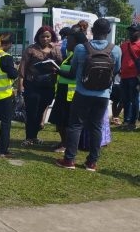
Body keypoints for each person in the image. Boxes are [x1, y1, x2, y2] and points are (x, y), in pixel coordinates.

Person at [56, 18, 121, 171]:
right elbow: (116, 71)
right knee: (96, 127)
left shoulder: (80, 48)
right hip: (103, 95)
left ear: (92, 30)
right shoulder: (116, 49)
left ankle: (69, 160)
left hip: (82, 93)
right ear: (109, 32)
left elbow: (72, 72)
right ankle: (91, 162)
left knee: (75, 126)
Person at [18, 26, 63, 146]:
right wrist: (20, 85)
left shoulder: (56, 49)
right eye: (42, 36)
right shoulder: (31, 50)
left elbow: (61, 64)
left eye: (47, 36)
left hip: (48, 85)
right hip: (32, 84)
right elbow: (23, 67)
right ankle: (29, 137)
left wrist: (54, 53)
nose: (45, 39)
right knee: (31, 111)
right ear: (38, 37)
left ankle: (35, 136)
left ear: (51, 37)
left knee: (40, 111)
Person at [48, 26, 86, 153]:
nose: (66, 43)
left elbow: (73, 74)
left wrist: (58, 70)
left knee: (65, 120)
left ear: (76, 44)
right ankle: (63, 142)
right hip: (63, 90)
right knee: (59, 120)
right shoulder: (71, 55)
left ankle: (66, 144)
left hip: (70, 93)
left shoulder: (78, 56)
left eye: (69, 42)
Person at [118, 24, 140, 130]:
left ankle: (132, 122)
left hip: (135, 77)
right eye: (130, 31)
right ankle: (126, 121)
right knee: (125, 99)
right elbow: (120, 58)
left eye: (134, 31)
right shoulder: (124, 45)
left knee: (134, 99)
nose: (131, 33)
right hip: (124, 76)